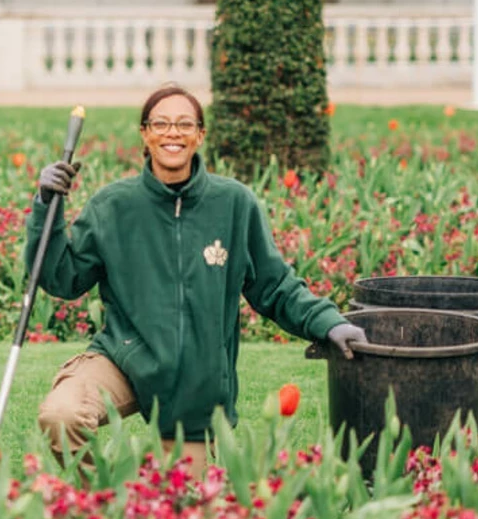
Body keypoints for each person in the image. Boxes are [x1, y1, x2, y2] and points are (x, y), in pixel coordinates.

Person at [27, 84, 366, 471]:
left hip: (194, 386)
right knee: (61, 415)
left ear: (200, 135)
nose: (173, 133)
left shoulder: (235, 204)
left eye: (184, 124)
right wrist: (45, 207)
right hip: (124, 358)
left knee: (186, 507)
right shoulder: (112, 206)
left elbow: (276, 286)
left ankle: (147, 506)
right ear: (145, 133)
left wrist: (329, 324)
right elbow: (60, 278)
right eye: (161, 123)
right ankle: (106, 503)